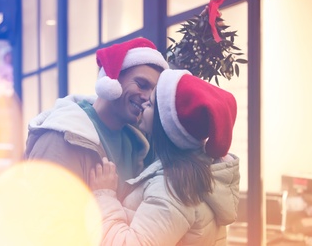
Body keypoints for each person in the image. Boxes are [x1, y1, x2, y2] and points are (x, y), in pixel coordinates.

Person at [90, 69, 240, 245]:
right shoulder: (195, 172)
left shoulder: (172, 189)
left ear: (166, 123)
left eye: (152, 104)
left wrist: (104, 197)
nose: (145, 104)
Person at [25, 37, 169, 195]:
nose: (147, 97)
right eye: (142, 85)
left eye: (153, 92)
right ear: (112, 80)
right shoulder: (61, 138)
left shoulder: (138, 142)